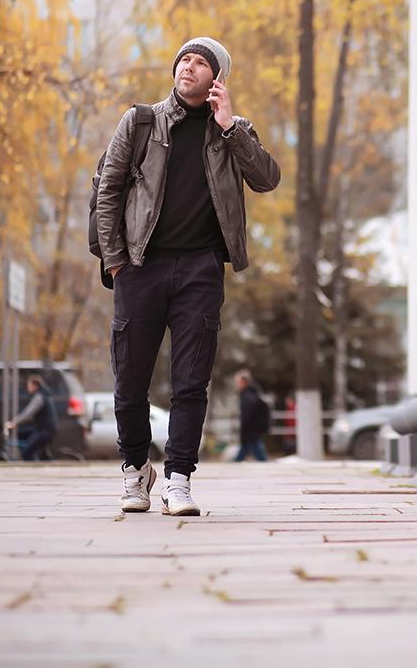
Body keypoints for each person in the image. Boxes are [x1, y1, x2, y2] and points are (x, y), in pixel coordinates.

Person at [95, 37, 281, 516]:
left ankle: (178, 480)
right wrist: (116, 261)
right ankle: (136, 470)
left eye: (201, 63)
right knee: (129, 382)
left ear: (216, 78)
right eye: (185, 60)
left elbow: (266, 179)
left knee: (191, 383)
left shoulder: (232, 131)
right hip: (140, 267)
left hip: (200, 270)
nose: (189, 67)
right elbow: (108, 190)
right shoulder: (140, 122)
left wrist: (230, 127)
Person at [7, 375, 57, 461]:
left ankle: (32, 467)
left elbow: (28, 413)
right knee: (21, 434)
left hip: (44, 430)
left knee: (27, 452)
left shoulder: (39, 397)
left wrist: (14, 422)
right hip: (45, 429)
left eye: (29, 385)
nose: (27, 388)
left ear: (35, 386)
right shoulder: (44, 395)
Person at [233, 370, 270, 462]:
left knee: (257, 453)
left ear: (243, 382)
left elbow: (247, 415)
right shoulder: (252, 393)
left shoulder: (247, 396)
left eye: (237, 382)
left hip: (251, 431)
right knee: (249, 450)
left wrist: (244, 430)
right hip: (253, 431)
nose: (236, 385)